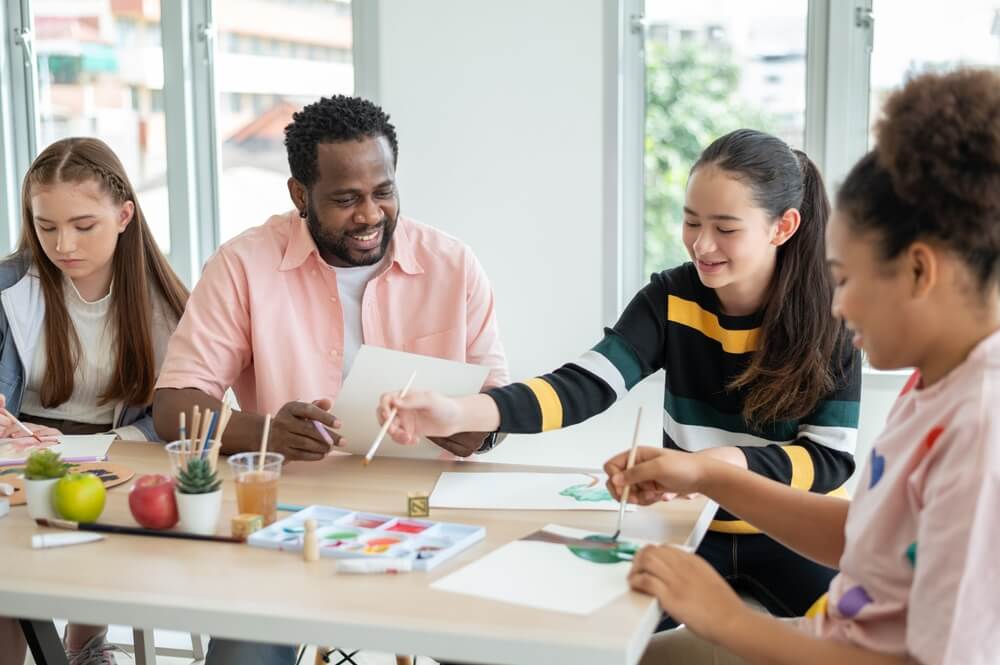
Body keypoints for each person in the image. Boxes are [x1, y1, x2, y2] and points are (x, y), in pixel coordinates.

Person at [381, 128, 860, 627]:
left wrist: (712, 467)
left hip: (797, 532)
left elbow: (829, 458)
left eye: (726, 228)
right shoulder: (672, 297)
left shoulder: (835, 314)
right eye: (691, 221)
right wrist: (459, 409)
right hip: (689, 527)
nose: (702, 244)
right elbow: (582, 385)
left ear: (782, 227)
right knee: (585, 630)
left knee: (864, 641)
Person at [607, 67, 1000, 664]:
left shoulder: (980, 427)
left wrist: (725, 619)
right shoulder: (938, 385)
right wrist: (708, 476)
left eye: (845, 279)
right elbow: (867, 541)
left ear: (920, 272)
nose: (837, 305)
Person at [150, 95, 509, 664]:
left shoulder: (453, 264)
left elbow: (496, 405)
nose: (369, 215)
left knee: (503, 649)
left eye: (383, 192)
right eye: (345, 199)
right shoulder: (243, 265)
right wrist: (263, 432)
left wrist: (476, 427)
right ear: (299, 195)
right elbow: (173, 408)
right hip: (289, 523)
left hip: (428, 515)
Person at [0, 137, 188, 665]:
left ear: (125, 215)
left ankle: (85, 648)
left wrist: (107, 444)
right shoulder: (9, 287)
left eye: (84, 226)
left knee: (110, 514)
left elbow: (173, 421)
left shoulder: (167, 305)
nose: (64, 245)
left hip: (114, 452)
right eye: (47, 226)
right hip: (22, 452)